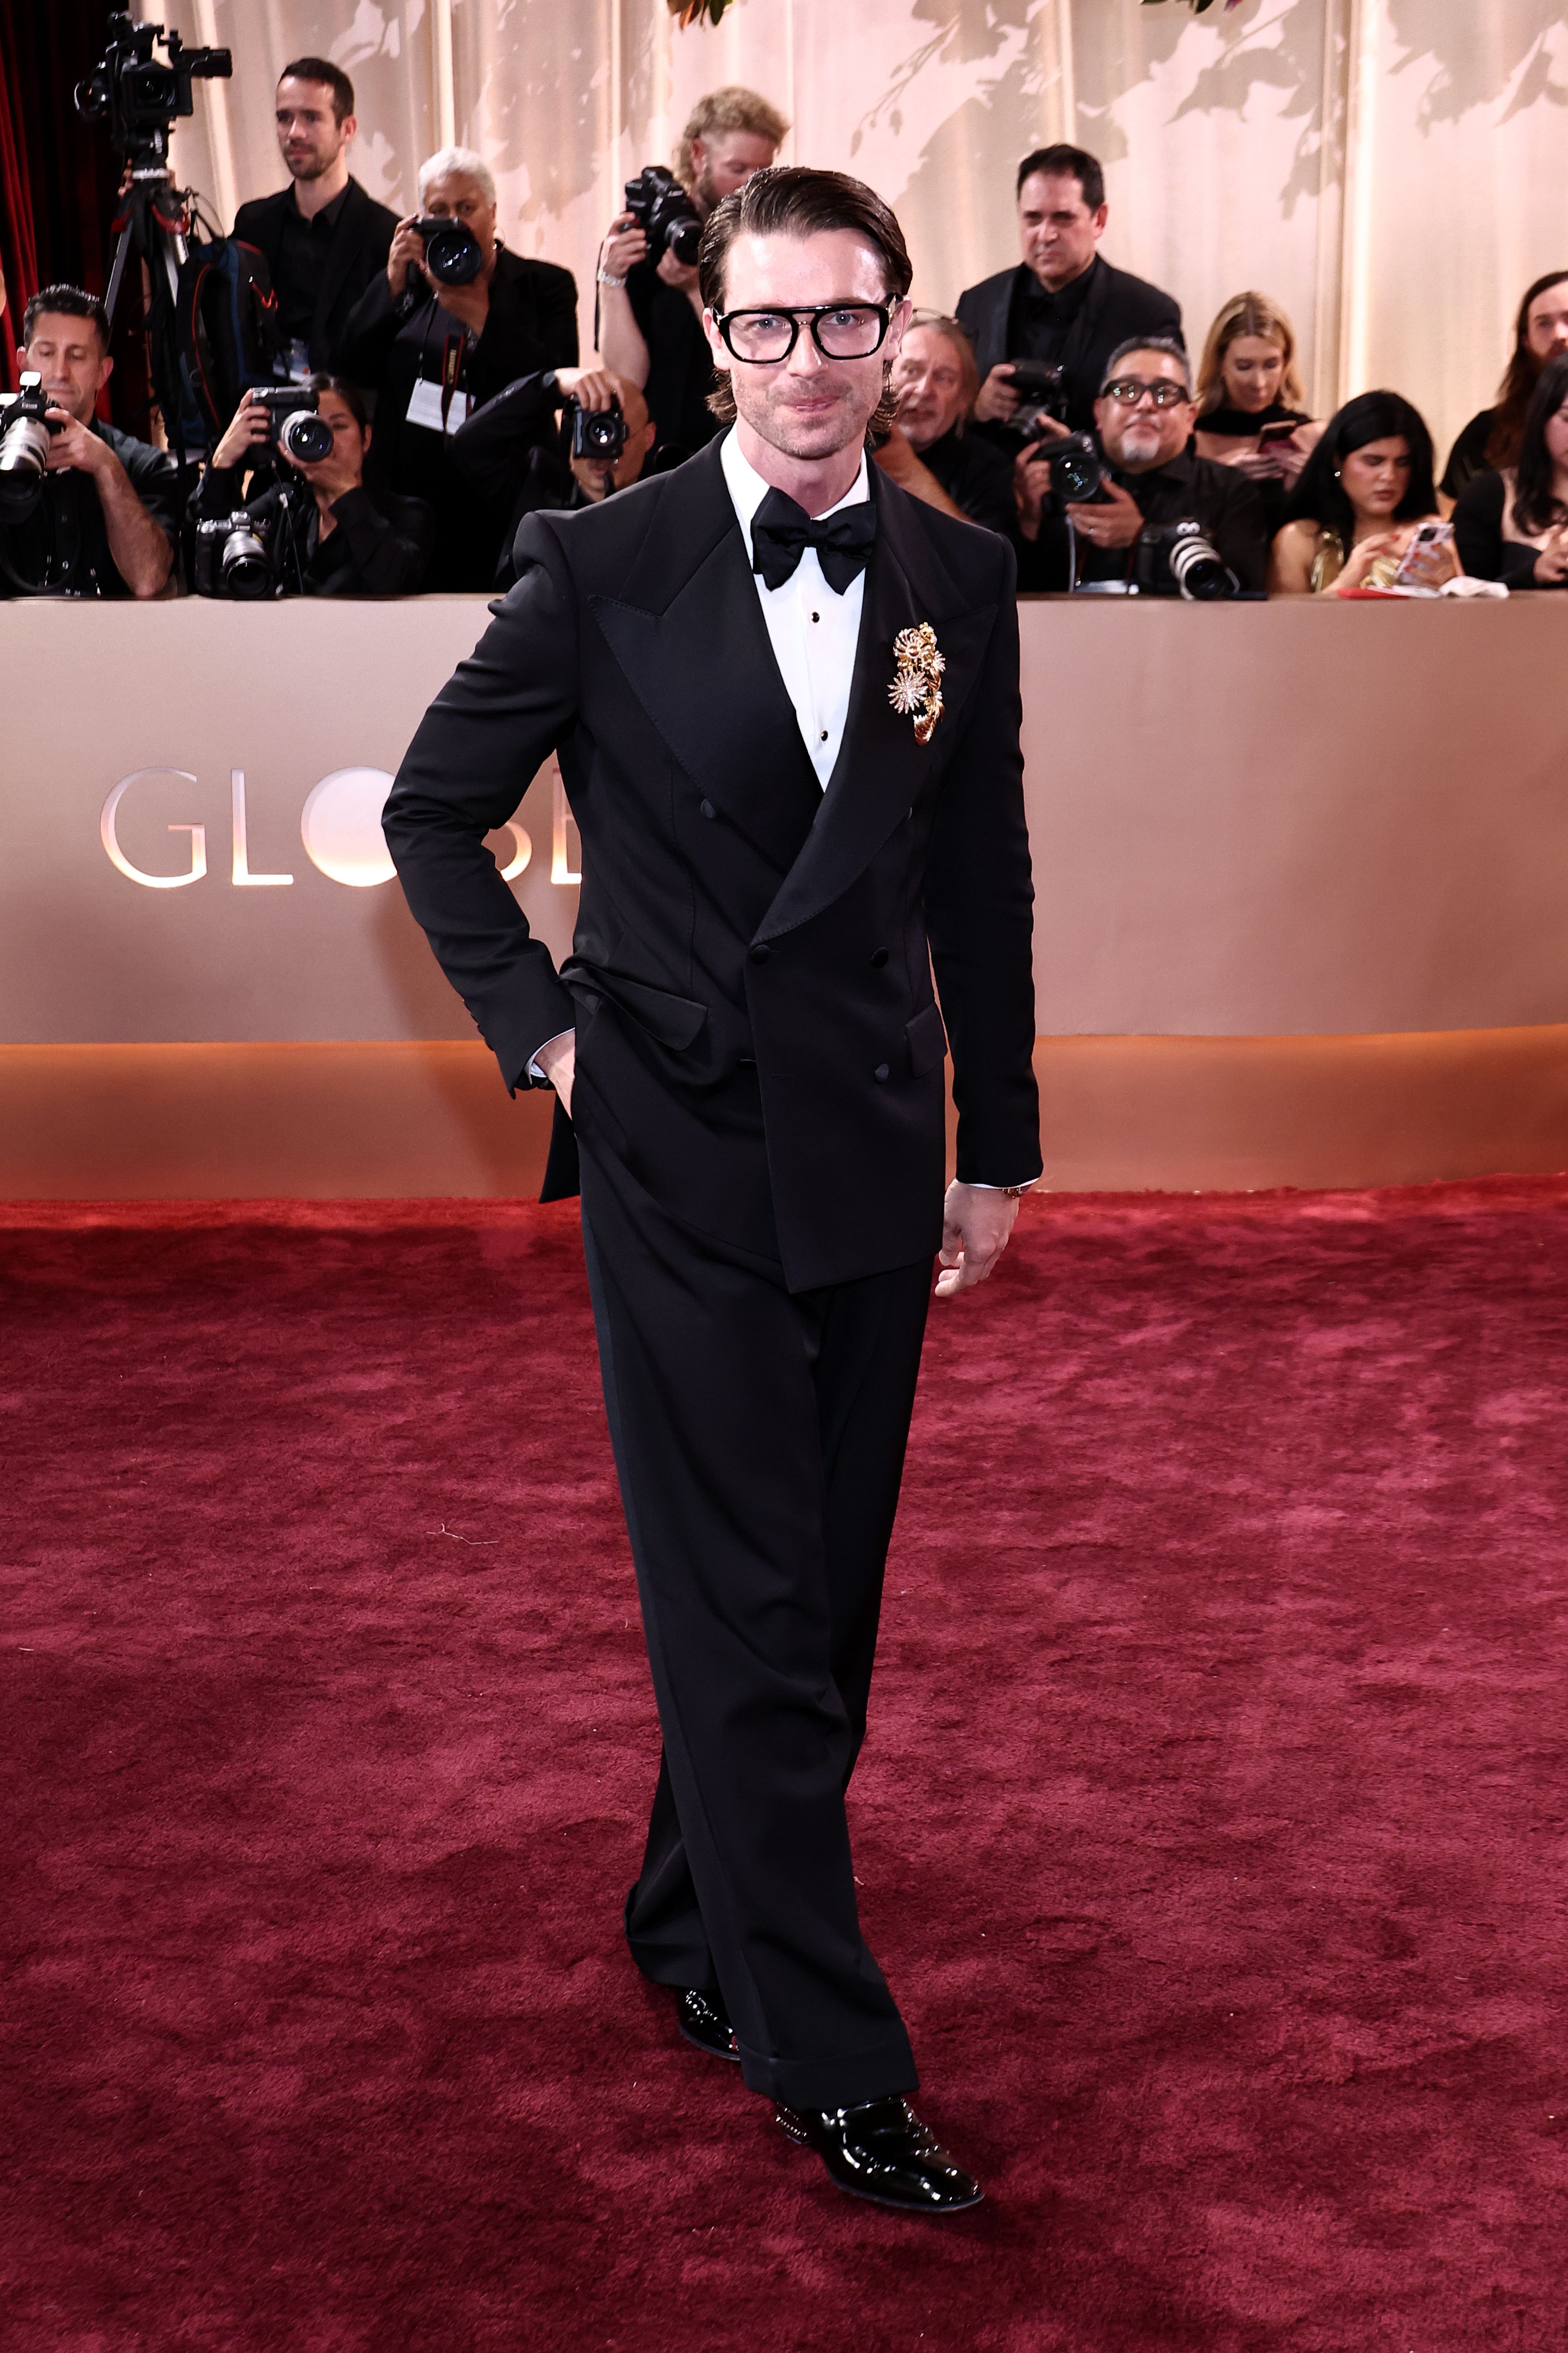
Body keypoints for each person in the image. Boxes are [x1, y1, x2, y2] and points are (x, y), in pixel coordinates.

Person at [383, 163, 1040, 2215]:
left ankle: (689, 1914)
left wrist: (994, 1137)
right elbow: (430, 814)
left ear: (899, 332)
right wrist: (550, 1037)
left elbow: (971, 881)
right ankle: (823, 2048)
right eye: (768, 324)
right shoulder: (598, 562)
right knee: (747, 1593)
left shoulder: (957, 578)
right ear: (714, 334)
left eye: (850, 322)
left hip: (865, 1136)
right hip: (674, 1148)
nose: (810, 364)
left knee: (816, 1598)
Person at [338, 146, 578, 591]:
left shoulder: (545, 285)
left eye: (466, 208)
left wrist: (480, 318)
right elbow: (352, 368)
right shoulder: (404, 286)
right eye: (439, 210)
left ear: (492, 212)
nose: (454, 221)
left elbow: (556, 378)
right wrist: (391, 282)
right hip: (413, 501)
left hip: (510, 498)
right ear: (418, 219)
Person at [596, 86, 788, 461]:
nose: (752, 182)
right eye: (737, 168)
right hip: (654, 453)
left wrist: (692, 288)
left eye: (763, 170)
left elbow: (768, 353)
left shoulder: (771, 242)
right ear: (698, 155)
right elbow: (628, 379)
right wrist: (610, 278)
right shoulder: (646, 235)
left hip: (743, 448)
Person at [956, 144, 1181, 441]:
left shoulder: (1149, 314)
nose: (1046, 235)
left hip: (1097, 485)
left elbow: (1167, 431)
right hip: (988, 485)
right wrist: (975, 408)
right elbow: (943, 419)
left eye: (1063, 218)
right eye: (1032, 218)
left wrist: (1080, 454)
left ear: (1098, 220)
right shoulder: (976, 303)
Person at [1015, 336, 1268, 594]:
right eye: (1126, 391)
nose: (1145, 405)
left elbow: (1243, 595)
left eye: (1164, 394)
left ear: (1190, 418)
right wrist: (1028, 523)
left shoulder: (1230, 490)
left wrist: (1143, 538)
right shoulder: (1062, 480)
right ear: (1100, 413)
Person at [0, 286, 177, 598]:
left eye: (77, 356)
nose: (60, 372)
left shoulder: (143, 464)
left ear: (103, 372)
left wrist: (106, 466)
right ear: (23, 362)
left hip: (113, 643)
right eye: (47, 353)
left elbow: (149, 580)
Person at [231, 58, 399, 382]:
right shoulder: (254, 222)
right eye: (285, 118)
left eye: (311, 118)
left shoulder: (386, 236)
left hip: (348, 420)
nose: (295, 133)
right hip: (264, 415)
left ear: (347, 129)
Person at [194, 376, 434, 596]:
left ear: (366, 439)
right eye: (311, 429)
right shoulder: (284, 505)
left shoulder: (407, 514)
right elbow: (209, 548)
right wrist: (222, 461)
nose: (326, 439)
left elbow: (395, 583)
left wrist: (345, 492)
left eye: (339, 427)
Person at [451, 366, 657, 588]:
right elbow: (470, 443)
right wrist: (552, 384)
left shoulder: (665, 508)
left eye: (612, 430)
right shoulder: (536, 483)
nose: (600, 448)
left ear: (648, 437)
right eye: (589, 429)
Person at [1270, 391, 1459, 596]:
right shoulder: (1300, 539)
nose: (1389, 476)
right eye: (1373, 462)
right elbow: (1283, 624)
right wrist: (1344, 584)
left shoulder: (1428, 532)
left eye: (1402, 463)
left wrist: (1453, 586)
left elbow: (1466, 622)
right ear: (1338, 461)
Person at [1192, 290, 1320, 537]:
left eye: (1271, 365)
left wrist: (1316, 484)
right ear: (1220, 364)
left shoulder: (1310, 434)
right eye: (1244, 366)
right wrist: (1220, 480)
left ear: (1286, 363)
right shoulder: (1189, 436)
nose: (1259, 382)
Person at [882, 310, 1018, 537]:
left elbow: (989, 565)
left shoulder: (989, 470)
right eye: (911, 371)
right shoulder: (850, 449)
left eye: (943, 378)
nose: (924, 390)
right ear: (884, 381)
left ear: (964, 400)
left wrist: (909, 475)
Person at [1440, 271, 1568, 504]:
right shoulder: (1487, 433)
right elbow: (1447, 520)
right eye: (1544, 324)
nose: (1559, 335)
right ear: (1526, 341)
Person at [1452, 350, 1568, 589]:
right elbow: (1462, 602)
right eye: (1567, 419)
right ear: (1541, 419)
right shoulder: (1492, 494)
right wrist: (1533, 574)